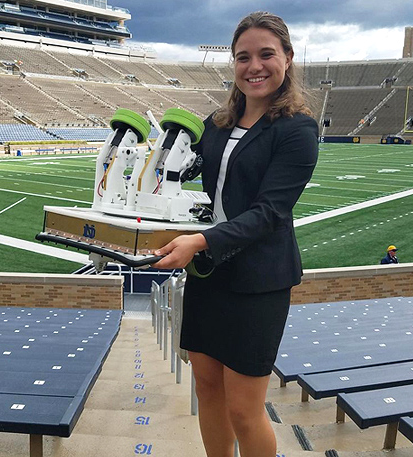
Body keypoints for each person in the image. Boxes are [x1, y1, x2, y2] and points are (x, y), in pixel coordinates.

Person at [153, 11, 318, 457]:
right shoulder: (218, 122)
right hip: (211, 275)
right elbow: (183, 177)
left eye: (267, 54)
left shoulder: (297, 129)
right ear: (233, 64)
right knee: (208, 390)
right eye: (243, 57)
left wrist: (200, 241)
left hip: (258, 281)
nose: (254, 66)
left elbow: (269, 213)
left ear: (288, 57)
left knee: (245, 408)